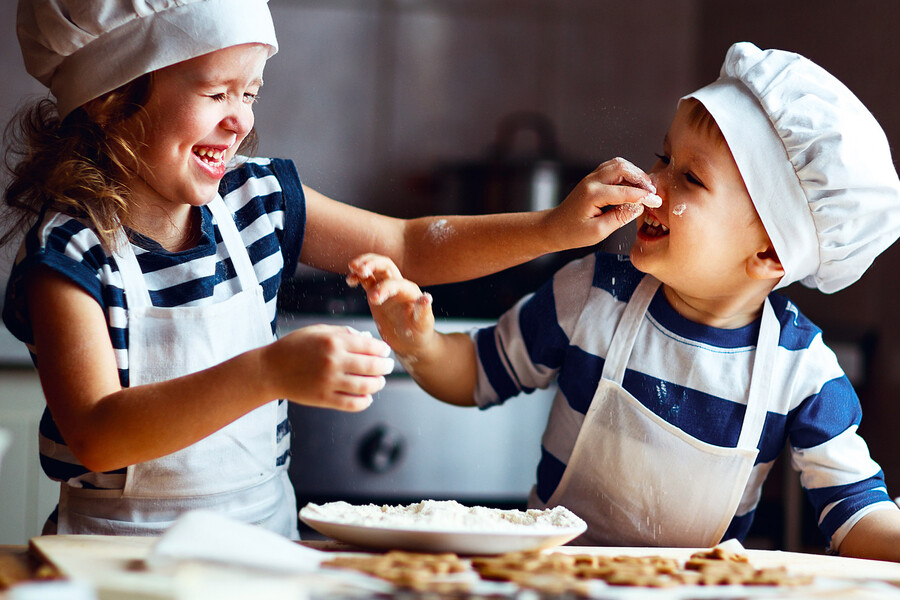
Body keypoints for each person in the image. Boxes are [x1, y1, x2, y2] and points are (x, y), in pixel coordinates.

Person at [2, 0, 661, 538]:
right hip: (114, 561)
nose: (240, 121)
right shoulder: (70, 255)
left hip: (262, 545)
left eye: (251, 92)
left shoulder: (256, 202)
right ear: (111, 100)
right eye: (216, 92)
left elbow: (409, 244)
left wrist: (552, 228)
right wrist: (268, 371)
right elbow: (96, 433)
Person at [349, 42, 900, 561]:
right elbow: (473, 374)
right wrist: (418, 343)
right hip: (551, 584)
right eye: (663, 157)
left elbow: (857, 517)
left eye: (689, 177)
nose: (652, 185)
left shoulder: (800, 370)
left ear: (770, 253)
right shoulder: (593, 295)